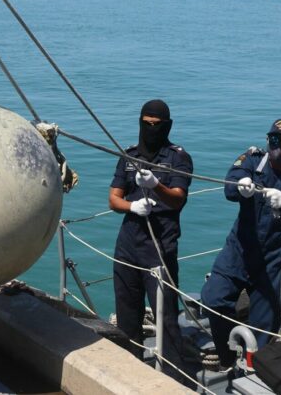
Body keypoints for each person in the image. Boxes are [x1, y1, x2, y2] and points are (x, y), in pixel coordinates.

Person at [201, 118, 281, 367]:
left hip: (272, 259)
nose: (278, 146)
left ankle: (255, 372)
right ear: (267, 140)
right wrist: (240, 186)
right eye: (274, 139)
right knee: (213, 300)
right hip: (238, 251)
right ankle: (227, 356)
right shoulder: (253, 159)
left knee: (263, 325)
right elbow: (231, 185)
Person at [108, 99, 193, 381]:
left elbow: (178, 199)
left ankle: (174, 376)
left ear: (166, 126)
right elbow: (114, 198)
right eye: (146, 124)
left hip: (160, 245)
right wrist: (131, 207)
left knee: (166, 315)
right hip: (128, 244)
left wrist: (156, 186)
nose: (151, 129)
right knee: (127, 311)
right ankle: (130, 368)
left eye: (157, 125)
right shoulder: (129, 155)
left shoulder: (178, 157)